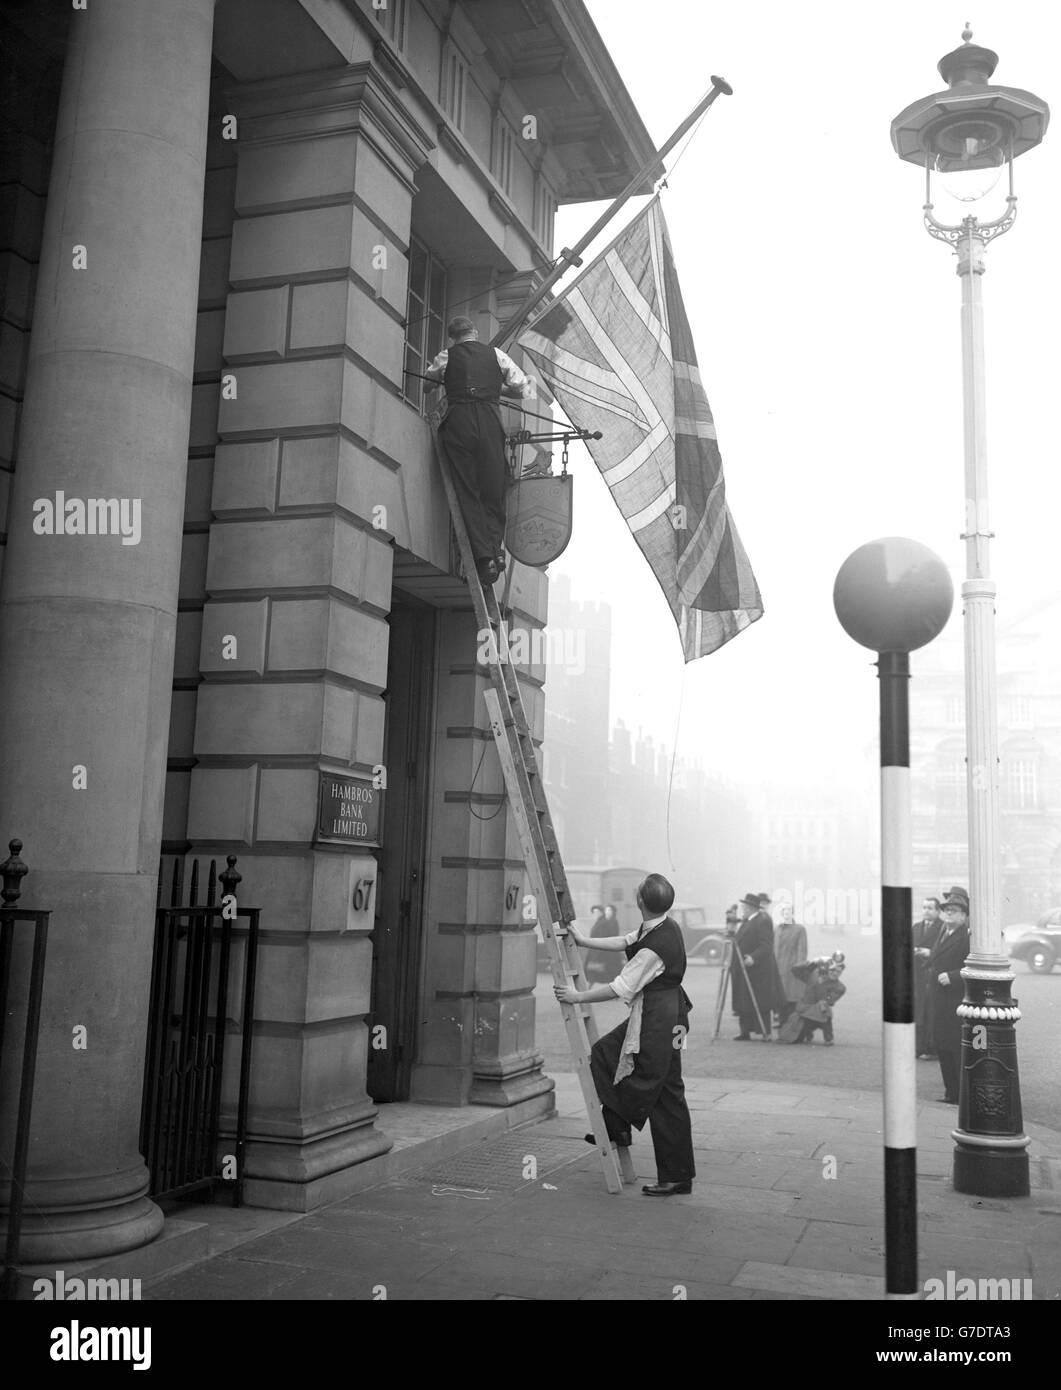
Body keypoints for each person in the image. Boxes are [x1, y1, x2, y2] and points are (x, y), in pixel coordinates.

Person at [555, 873, 695, 1196]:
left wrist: (576, 997)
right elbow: (626, 941)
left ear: (640, 902)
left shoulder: (654, 947)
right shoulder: (662, 926)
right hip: (673, 1016)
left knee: (658, 1089)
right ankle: (620, 1129)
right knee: (614, 1058)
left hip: (661, 1019)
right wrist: (583, 940)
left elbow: (620, 987)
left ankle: (672, 1173)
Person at [424, 316, 535, 586]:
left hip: (458, 421)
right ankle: (496, 552)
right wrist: (496, 388)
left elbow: (427, 383)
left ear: (453, 337)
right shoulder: (495, 355)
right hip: (488, 420)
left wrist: (447, 382)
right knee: (493, 488)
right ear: (474, 333)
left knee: (467, 490)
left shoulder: (446, 356)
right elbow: (524, 389)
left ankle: (484, 558)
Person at [926, 887, 970, 1104]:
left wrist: (953, 976)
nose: (949, 914)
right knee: (942, 1046)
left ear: (964, 915)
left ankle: (959, 1094)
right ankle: (950, 1092)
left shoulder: (966, 937)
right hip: (939, 998)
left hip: (955, 999)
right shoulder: (944, 931)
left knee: (954, 1047)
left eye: (954, 911)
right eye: (947, 910)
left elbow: (975, 967)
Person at [730, 892, 781, 1039]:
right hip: (742, 968)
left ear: (751, 907)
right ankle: (744, 1031)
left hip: (756, 970)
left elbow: (766, 945)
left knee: (759, 1002)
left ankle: (765, 1032)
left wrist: (753, 957)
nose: (742, 909)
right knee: (743, 1000)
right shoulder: (747, 921)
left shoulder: (762, 920)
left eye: (744, 906)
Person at [789, 953, 846, 1044]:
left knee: (824, 1011)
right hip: (805, 1011)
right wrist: (811, 963)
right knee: (793, 1038)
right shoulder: (813, 974)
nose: (835, 973)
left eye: (838, 972)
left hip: (820, 1013)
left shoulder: (840, 987)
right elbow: (795, 970)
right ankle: (807, 1032)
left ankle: (828, 1037)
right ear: (827, 968)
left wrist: (823, 986)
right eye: (833, 970)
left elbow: (829, 1001)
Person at [912, 895, 943, 1059]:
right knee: (918, 1010)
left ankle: (931, 1048)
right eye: (924, 908)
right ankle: (918, 1047)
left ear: (938, 911)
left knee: (931, 1012)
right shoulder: (916, 927)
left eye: (930, 908)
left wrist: (929, 953)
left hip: (933, 975)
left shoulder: (943, 928)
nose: (926, 911)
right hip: (917, 976)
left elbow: (945, 952)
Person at [773, 905, 808, 1027]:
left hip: (792, 969)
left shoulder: (799, 929)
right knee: (781, 996)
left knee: (792, 998)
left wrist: (799, 967)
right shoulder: (777, 929)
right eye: (784, 912)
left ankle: (792, 1023)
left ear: (793, 914)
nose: (786, 915)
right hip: (778, 968)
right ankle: (782, 1021)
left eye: (789, 912)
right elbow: (774, 949)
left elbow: (802, 950)